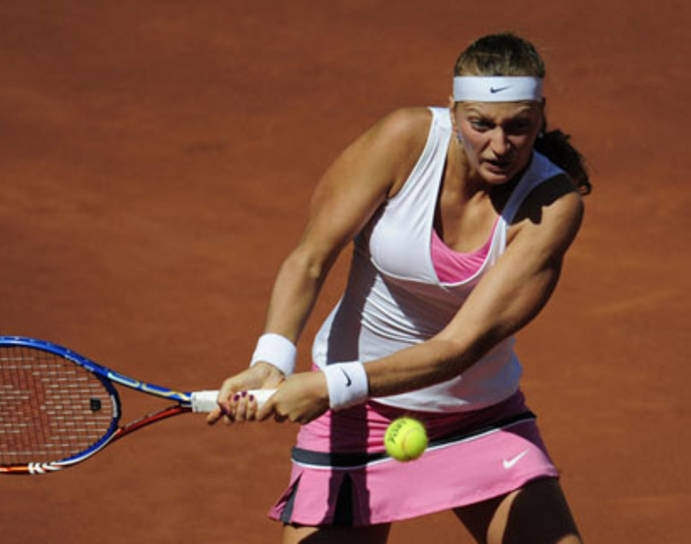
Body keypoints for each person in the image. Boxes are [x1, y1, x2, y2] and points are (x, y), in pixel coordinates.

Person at [207, 32, 589, 544]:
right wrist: (271, 359)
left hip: (478, 416)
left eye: (518, 126)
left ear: (540, 115)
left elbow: (459, 347)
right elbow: (310, 259)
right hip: (355, 418)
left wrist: (328, 386)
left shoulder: (553, 205)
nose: (500, 146)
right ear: (453, 111)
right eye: (481, 124)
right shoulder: (403, 141)